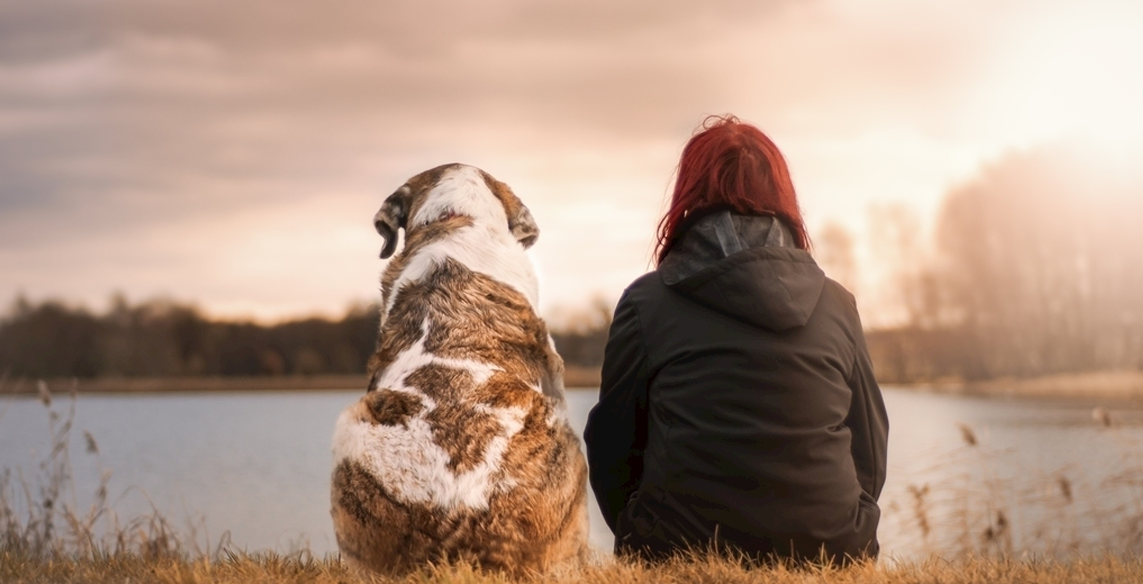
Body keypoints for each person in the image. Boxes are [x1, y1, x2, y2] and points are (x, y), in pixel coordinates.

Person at [583, 115, 888, 565]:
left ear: (689, 196)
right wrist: (843, 525)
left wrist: (641, 531)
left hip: (676, 550)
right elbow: (871, 449)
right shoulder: (837, 304)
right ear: (782, 196)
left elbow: (612, 446)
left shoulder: (646, 303)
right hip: (833, 550)